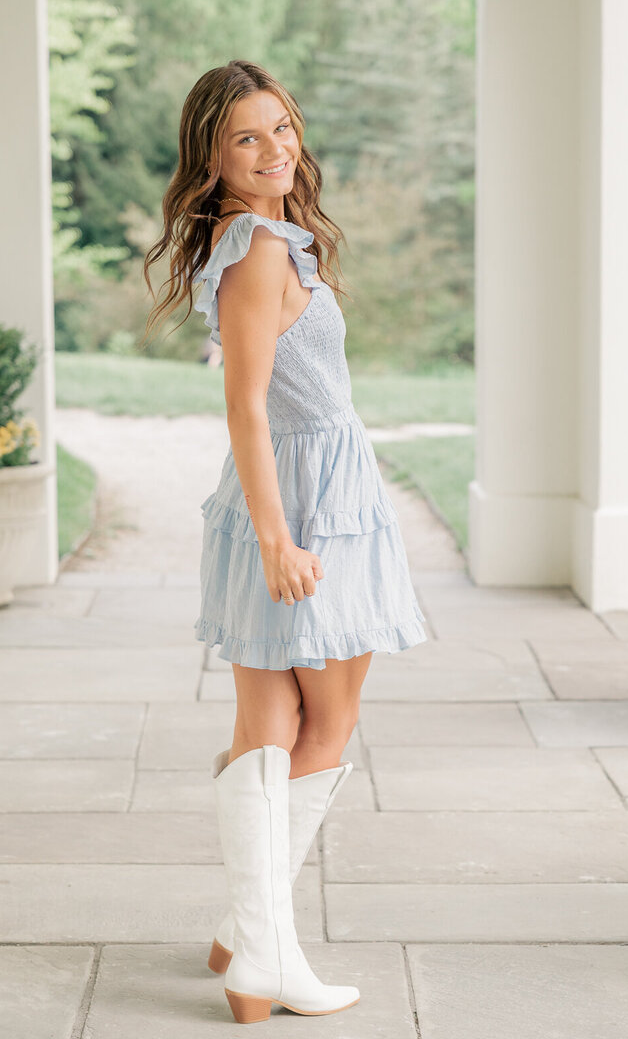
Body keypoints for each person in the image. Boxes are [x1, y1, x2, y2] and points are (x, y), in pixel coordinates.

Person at [143, 59, 427, 1024]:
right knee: (327, 726)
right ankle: (265, 957)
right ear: (212, 159)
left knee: (266, 732)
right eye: (246, 139)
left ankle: (243, 938)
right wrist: (279, 540)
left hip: (290, 497)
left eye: (282, 129)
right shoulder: (261, 248)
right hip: (309, 507)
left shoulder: (253, 240)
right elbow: (247, 409)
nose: (274, 151)